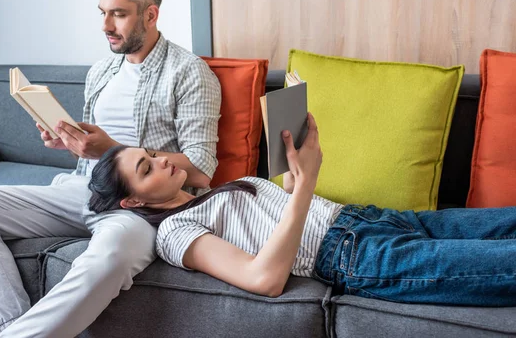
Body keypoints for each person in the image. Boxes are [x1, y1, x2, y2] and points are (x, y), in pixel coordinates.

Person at [0, 0, 221, 337]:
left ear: (150, 14)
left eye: (118, 14)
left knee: (111, 257)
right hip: (81, 190)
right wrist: (70, 143)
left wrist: (109, 148)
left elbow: (201, 169)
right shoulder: (101, 72)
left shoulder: (189, 72)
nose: (106, 25)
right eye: (103, 13)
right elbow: (92, 153)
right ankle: (13, 329)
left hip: (143, 206)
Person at [88, 112, 516, 307]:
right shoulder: (175, 233)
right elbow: (265, 278)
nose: (164, 159)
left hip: (370, 218)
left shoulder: (211, 193)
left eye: (151, 153)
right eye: (147, 168)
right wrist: (307, 184)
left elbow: (285, 207)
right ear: (135, 201)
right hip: (352, 255)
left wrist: (297, 167)